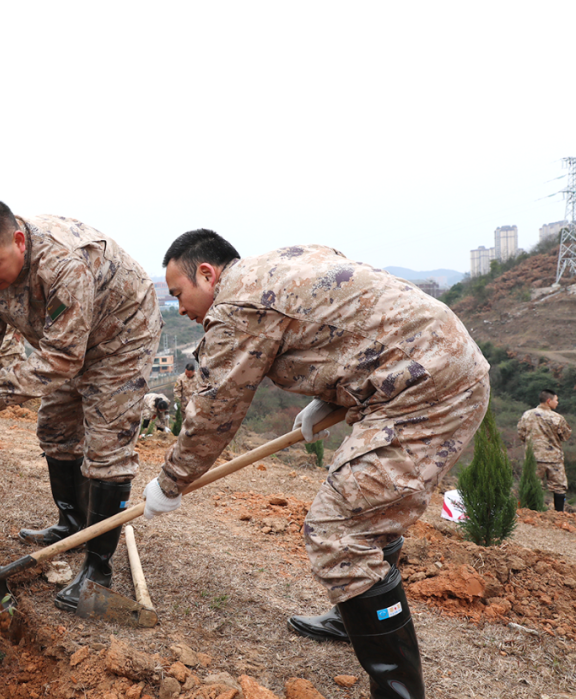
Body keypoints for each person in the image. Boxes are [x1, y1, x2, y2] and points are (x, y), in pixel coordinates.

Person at [143, 230, 490, 699]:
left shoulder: (236, 307)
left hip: (429, 388)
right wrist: (330, 398)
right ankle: (353, 615)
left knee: (341, 528)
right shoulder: (283, 261)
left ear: (207, 274)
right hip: (421, 369)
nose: (180, 308)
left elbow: (214, 412)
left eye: (178, 293)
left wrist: (169, 483)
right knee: (362, 504)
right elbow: (346, 319)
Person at [0, 196, 163, 612]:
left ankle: (97, 569)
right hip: (60, 338)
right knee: (56, 429)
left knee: (106, 449)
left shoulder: (64, 263)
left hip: (119, 335)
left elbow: (63, 360)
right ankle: (73, 523)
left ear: (18, 242)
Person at [517, 389, 571, 512]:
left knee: (535, 485)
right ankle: (559, 513)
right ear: (548, 400)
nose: (557, 402)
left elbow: (521, 434)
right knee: (559, 487)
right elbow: (565, 436)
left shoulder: (527, 415)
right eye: (556, 400)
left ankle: (534, 512)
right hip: (554, 458)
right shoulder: (557, 418)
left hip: (533, 458)